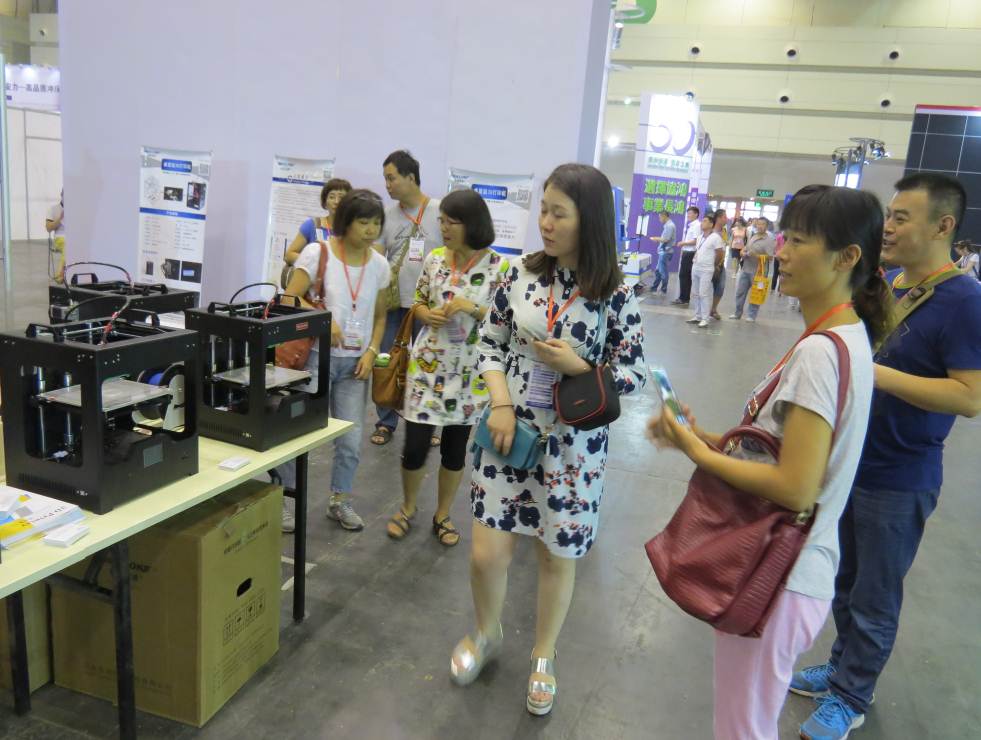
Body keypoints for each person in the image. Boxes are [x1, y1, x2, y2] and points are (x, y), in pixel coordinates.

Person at [649, 184, 891, 740]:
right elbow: (781, 450)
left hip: (776, 576)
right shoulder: (843, 335)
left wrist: (695, 451)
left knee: (743, 730)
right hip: (793, 573)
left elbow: (796, 486)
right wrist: (699, 437)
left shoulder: (820, 353)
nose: (780, 252)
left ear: (847, 257)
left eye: (798, 241)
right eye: (784, 238)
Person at [449, 163, 645, 717]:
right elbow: (489, 342)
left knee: (558, 555)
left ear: (591, 220)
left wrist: (581, 367)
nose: (546, 223)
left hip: (573, 452)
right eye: (544, 210)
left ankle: (543, 654)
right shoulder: (519, 274)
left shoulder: (616, 293)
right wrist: (501, 404)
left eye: (560, 213)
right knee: (486, 553)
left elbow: (633, 373)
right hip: (507, 433)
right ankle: (487, 632)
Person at [793, 173, 981, 740]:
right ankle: (842, 668)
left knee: (876, 594)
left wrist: (873, 374)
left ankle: (853, 694)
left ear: (942, 226)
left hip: (901, 476)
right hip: (852, 461)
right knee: (845, 580)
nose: (889, 227)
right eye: (890, 215)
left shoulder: (964, 301)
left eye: (902, 217)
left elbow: (970, 397)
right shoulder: (893, 283)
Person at [386, 189, 507, 547]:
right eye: (442, 221)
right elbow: (418, 301)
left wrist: (472, 308)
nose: (444, 228)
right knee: (415, 447)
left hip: (470, 375)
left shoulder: (500, 267)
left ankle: (442, 514)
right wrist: (426, 314)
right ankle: (408, 507)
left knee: (454, 452)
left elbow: (505, 321)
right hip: (427, 368)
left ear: (473, 224)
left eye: (452, 222)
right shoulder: (435, 258)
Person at [284, 189, 391, 532]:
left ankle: (339, 500)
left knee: (350, 440)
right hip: (314, 359)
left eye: (376, 223)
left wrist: (372, 351)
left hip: (355, 365)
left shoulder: (379, 265)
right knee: (296, 435)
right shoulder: (318, 253)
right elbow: (289, 299)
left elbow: (380, 316)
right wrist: (323, 319)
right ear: (346, 222)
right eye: (364, 222)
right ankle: (285, 501)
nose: (371, 230)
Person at [371, 150, 442, 447]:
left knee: (428, 363)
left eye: (392, 178)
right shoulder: (386, 216)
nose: (387, 185)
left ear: (410, 177)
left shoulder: (439, 211)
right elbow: (377, 257)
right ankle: (385, 422)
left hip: (427, 305)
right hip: (392, 304)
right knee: (385, 362)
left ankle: (428, 422)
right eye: (385, 179)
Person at [283, 178, 352, 267]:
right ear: (325, 202)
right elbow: (289, 255)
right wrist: (314, 262)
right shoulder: (312, 225)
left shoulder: (353, 229)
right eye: (331, 197)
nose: (336, 201)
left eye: (341, 197)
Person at [730, 217, 776, 322]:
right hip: (746, 268)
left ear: (766, 226)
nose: (760, 226)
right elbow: (746, 247)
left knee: (756, 293)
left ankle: (751, 315)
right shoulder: (753, 236)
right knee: (740, 292)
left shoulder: (769, 240)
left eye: (763, 224)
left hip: (759, 272)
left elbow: (770, 257)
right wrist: (742, 252)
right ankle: (737, 313)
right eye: (759, 224)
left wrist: (756, 255)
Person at [686, 213, 724, 328]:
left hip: (707, 269)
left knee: (703, 293)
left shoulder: (716, 237)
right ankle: (697, 316)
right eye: (702, 221)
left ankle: (705, 319)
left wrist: (714, 265)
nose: (702, 223)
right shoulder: (700, 237)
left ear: (711, 224)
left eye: (705, 221)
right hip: (696, 266)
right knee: (695, 293)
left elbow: (720, 253)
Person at [672, 206, 701, 306]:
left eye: (690, 213)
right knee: (686, 276)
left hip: (690, 253)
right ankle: (684, 298)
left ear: (696, 214)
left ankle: (683, 298)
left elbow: (696, 241)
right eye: (687, 213)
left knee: (684, 275)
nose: (688, 215)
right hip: (687, 252)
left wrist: (683, 243)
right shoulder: (692, 225)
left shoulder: (696, 226)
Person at [650, 210, 676, 295]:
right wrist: (658, 240)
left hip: (665, 252)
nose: (659, 219)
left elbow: (666, 239)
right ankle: (654, 288)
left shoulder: (669, 226)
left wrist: (655, 238)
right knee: (658, 271)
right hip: (664, 251)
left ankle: (663, 290)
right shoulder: (668, 225)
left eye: (660, 217)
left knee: (663, 272)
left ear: (664, 216)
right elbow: (665, 239)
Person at [710, 209, 729, 320]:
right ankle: (702, 310)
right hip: (710, 264)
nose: (727, 219)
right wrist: (713, 264)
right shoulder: (710, 231)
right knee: (705, 288)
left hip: (721, 265)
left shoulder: (725, 231)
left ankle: (713, 309)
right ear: (718, 218)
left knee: (720, 288)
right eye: (725, 217)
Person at [45, 190, 65, 283]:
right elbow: (48, 228)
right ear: (61, 194)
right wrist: (60, 219)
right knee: (69, 246)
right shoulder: (53, 209)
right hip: (60, 238)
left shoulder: (76, 208)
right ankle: (60, 276)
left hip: (74, 237)